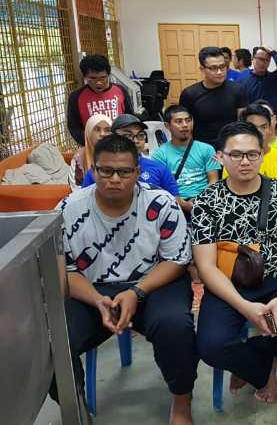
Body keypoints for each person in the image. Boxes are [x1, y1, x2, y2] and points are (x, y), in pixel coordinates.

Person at [54, 134, 196, 425]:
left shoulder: (161, 203)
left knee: (175, 326)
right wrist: (98, 300)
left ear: (138, 171)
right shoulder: (68, 209)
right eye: (106, 171)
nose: (115, 179)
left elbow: (177, 260)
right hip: (92, 289)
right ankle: (77, 409)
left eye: (124, 171)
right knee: (52, 341)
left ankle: (182, 402)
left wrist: (137, 292)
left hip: (153, 283)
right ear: (93, 170)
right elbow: (67, 272)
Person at [192, 122, 277, 404]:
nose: (245, 161)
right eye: (236, 154)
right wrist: (246, 308)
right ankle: (262, 370)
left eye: (252, 154)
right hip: (228, 285)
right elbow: (206, 267)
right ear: (220, 157)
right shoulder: (206, 201)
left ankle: (258, 353)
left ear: (262, 155)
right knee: (211, 346)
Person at [83, 114, 181, 197]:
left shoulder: (159, 169)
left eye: (140, 135)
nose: (136, 141)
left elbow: (174, 201)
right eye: (128, 135)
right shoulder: (97, 172)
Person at [152, 105, 221, 214]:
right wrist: (183, 204)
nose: (185, 125)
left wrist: (200, 201)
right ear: (167, 126)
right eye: (179, 121)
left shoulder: (207, 149)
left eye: (188, 120)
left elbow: (213, 181)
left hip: (205, 200)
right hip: (174, 203)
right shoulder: (159, 154)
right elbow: (162, 186)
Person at [224, 103, 277, 191]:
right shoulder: (233, 158)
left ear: (270, 129)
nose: (259, 133)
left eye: (263, 127)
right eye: (253, 127)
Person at [180, 46, 248, 147]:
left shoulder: (238, 89)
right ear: (202, 69)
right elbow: (185, 127)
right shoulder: (189, 94)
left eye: (222, 66)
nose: (220, 72)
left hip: (231, 148)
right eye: (213, 68)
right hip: (201, 149)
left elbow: (243, 123)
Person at [67, 54, 133, 146]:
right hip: (93, 147)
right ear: (85, 77)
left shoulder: (121, 91)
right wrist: (89, 143)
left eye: (103, 78)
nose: (98, 82)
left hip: (119, 145)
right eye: (93, 78)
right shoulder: (76, 97)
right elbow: (74, 127)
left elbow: (130, 119)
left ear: (108, 75)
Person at [237, 46, 277, 113]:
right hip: (252, 116)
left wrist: (274, 53)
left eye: (267, 60)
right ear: (252, 58)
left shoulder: (274, 78)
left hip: (271, 116)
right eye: (260, 59)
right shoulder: (243, 79)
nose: (263, 63)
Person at [71, 114, 113, 186]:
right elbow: (75, 187)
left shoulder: (120, 154)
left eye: (107, 130)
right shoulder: (79, 157)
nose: (102, 134)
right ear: (89, 133)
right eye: (97, 129)